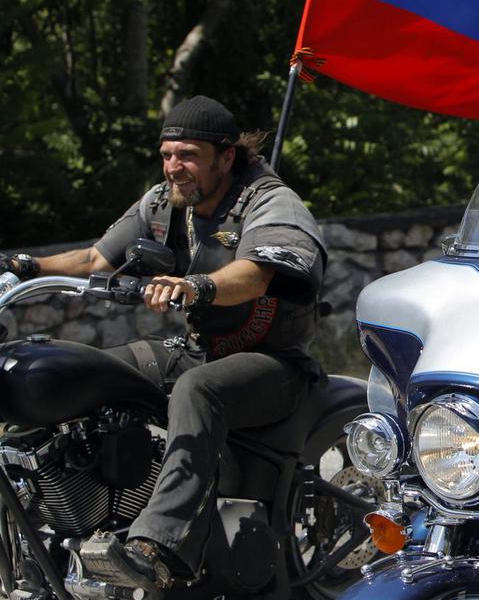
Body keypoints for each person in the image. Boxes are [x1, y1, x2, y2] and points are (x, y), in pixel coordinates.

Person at [0, 95, 327, 595]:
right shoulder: (163, 203)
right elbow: (95, 259)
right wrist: (24, 266)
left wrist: (195, 285)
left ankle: (157, 548)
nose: (174, 167)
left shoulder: (268, 200)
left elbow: (257, 273)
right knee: (90, 375)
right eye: (168, 154)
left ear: (226, 156)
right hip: (194, 347)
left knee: (197, 389)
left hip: (274, 363)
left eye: (188, 155)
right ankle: (76, 518)